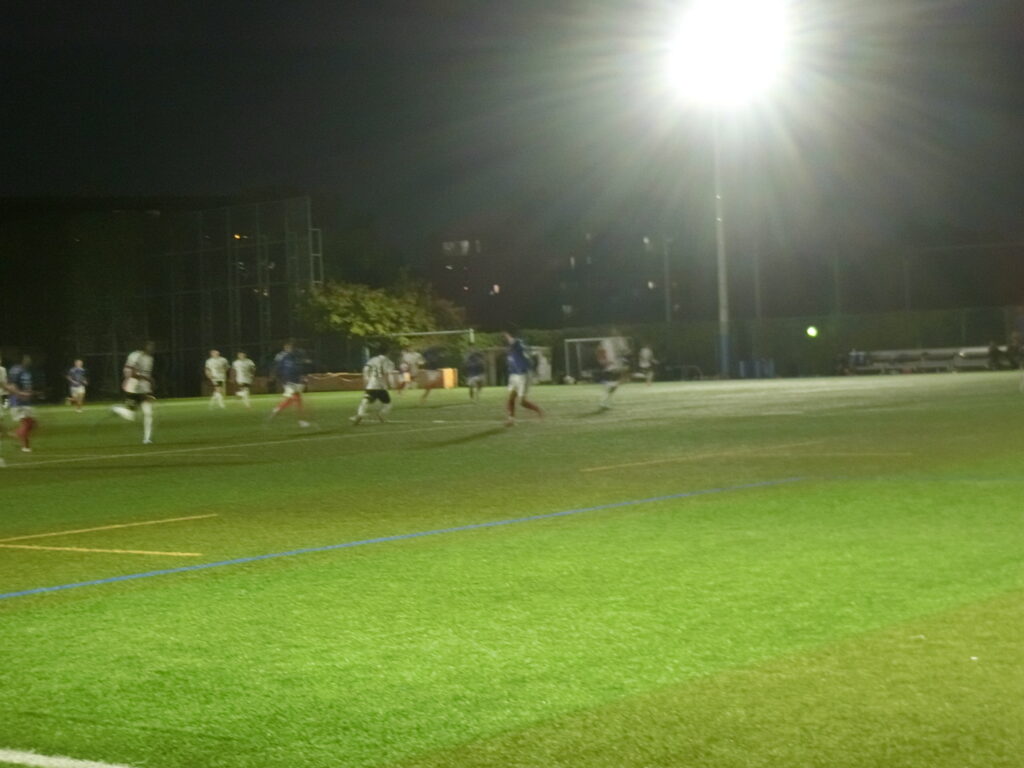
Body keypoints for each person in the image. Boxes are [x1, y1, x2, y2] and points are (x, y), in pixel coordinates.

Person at [111, 341, 156, 444]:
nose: (152, 348)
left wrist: (149, 387)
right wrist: (147, 379)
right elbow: (132, 373)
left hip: (144, 389)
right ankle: (116, 409)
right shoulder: (135, 355)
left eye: (153, 346)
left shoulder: (150, 359)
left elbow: (147, 375)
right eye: (150, 346)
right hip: (133, 388)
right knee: (131, 416)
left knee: (148, 413)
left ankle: (147, 439)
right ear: (144, 346)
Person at [503, 328, 543, 426]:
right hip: (514, 374)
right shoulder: (513, 346)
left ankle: (538, 411)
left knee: (522, 402)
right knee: (511, 398)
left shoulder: (517, 343)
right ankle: (511, 420)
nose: (505, 338)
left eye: (506, 335)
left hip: (523, 375)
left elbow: (517, 348)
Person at [268, 340, 310, 427]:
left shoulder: (296, 357)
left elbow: (300, 368)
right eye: (288, 347)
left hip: (296, 381)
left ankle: (277, 409)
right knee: (296, 399)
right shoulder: (283, 358)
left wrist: (303, 376)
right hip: (288, 382)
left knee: (293, 400)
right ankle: (301, 421)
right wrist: (277, 377)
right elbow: (277, 368)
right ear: (285, 348)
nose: (289, 349)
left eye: (291, 348)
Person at [350, 347, 395, 425]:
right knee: (388, 404)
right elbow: (389, 374)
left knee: (365, 401)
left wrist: (367, 378)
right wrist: (392, 384)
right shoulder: (389, 362)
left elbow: (366, 369)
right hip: (382, 387)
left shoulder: (373, 360)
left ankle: (360, 414)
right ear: (388, 352)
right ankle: (381, 413)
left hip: (372, 384)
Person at [6, 355, 37, 453]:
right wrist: (19, 394)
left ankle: (17, 433)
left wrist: (29, 393)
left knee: (32, 424)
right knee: (26, 424)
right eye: (27, 359)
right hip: (17, 401)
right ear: (22, 360)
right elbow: (11, 385)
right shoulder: (15, 370)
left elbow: (27, 385)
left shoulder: (27, 371)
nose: (29, 361)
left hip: (26, 402)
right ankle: (25, 447)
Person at [596, 334, 629, 408]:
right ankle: (604, 401)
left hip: (616, 366)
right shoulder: (606, 342)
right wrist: (603, 361)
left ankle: (605, 400)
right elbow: (599, 352)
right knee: (612, 384)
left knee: (615, 384)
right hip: (610, 367)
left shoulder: (620, 341)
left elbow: (624, 353)